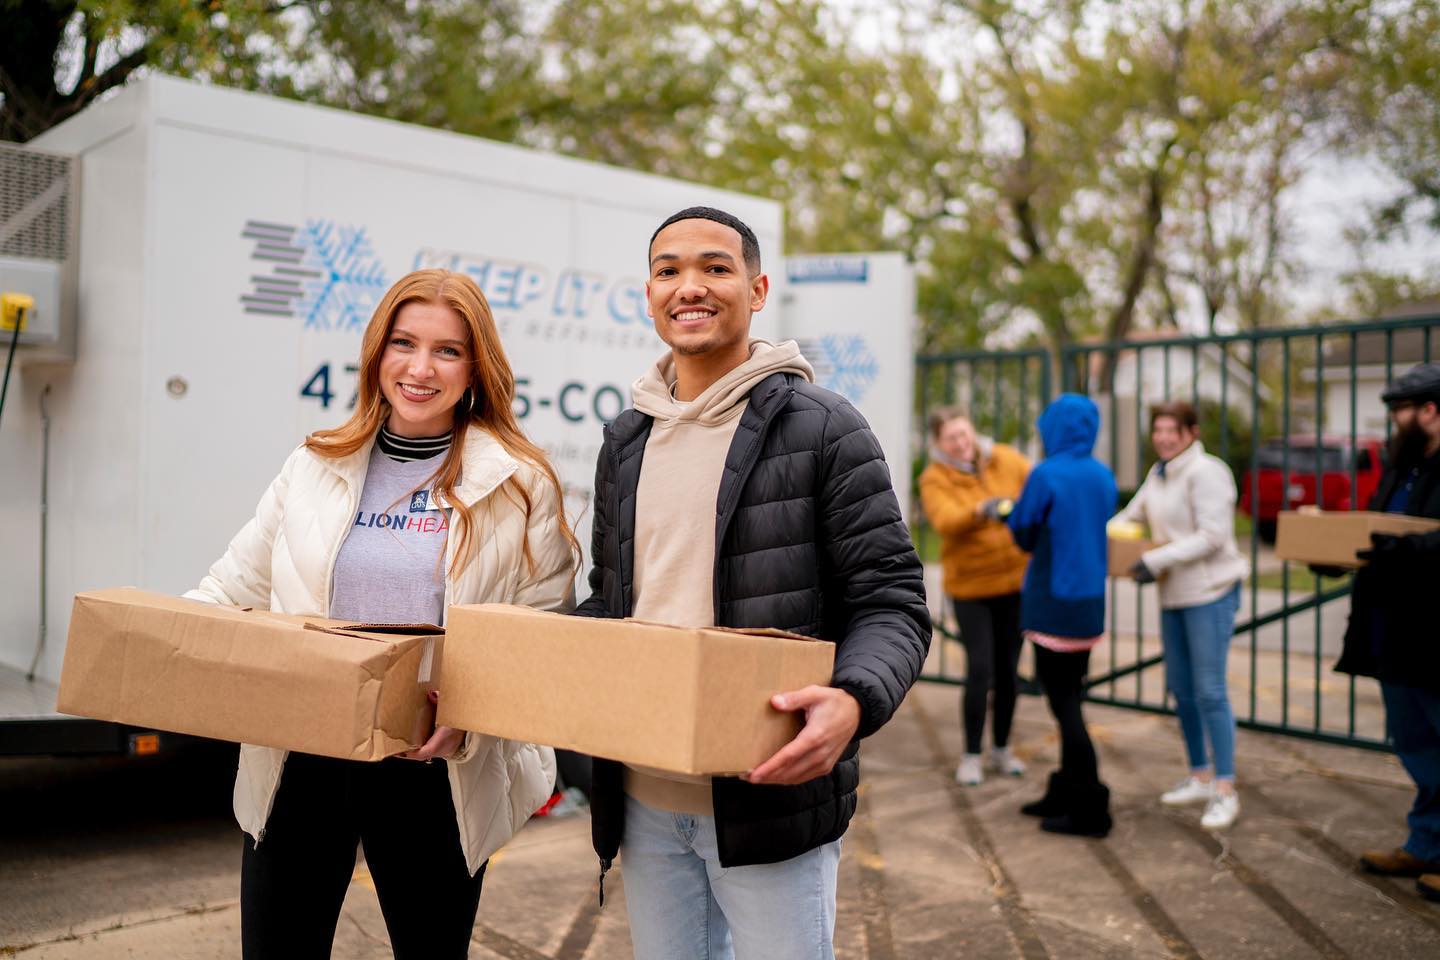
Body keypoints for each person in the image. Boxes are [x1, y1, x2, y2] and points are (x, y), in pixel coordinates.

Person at [185, 269, 580, 959]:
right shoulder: (313, 465)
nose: (420, 368)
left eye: (448, 350)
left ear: (475, 367)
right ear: (377, 353)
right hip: (300, 755)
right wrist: (165, 659)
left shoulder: (519, 484)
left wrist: (474, 714)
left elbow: (546, 634)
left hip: (436, 767)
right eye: (403, 343)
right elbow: (232, 585)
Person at [572, 206, 931, 959]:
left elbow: (890, 599)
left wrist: (856, 700)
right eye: (668, 270)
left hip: (770, 794)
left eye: (714, 266)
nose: (689, 286)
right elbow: (610, 602)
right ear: (649, 294)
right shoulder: (625, 442)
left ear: (758, 289)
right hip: (640, 799)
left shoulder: (823, 428)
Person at [1323, 363, 1440, 902]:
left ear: (1431, 410)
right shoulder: (1403, 467)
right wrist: (1334, 553)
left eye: (1402, 410)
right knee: (1412, 739)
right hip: (1394, 628)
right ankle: (1426, 842)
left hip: (1434, 626)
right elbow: (1376, 530)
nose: (1396, 420)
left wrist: (1400, 551)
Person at [1110, 401, 1249, 830]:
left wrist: (1157, 559)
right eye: (1159, 430)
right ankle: (1199, 775)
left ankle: (1225, 788)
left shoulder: (1208, 472)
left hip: (1210, 592)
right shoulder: (1159, 473)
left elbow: (1213, 536)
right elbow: (1126, 519)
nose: (1164, 437)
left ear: (1191, 431)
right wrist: (1090, 536)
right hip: (1173, 594)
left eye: (1173, 430)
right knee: (1183, 690)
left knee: (1209, 690)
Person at [1006, 393, 1117, 838]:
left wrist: (1014, 520)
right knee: (1071, 698)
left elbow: (1024, 530)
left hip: (1054, 602)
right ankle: (1065, 789)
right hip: (1089, 603)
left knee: (1064, 706)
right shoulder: (1103, 475)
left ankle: (1091, 806)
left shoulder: (1047, 473)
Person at [918, 407, 1031, 786]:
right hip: (971, 590)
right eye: (952, 439)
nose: (961, 444)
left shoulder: (1006, 460)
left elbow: (1036, 487)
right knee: (981, 670)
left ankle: (1001, 749)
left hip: (1014, 585)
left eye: (964, 435)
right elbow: (945, 520)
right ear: (939, 443)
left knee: (1009, 674)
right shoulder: (934, 478)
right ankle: (970, 754)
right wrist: (982, 510)